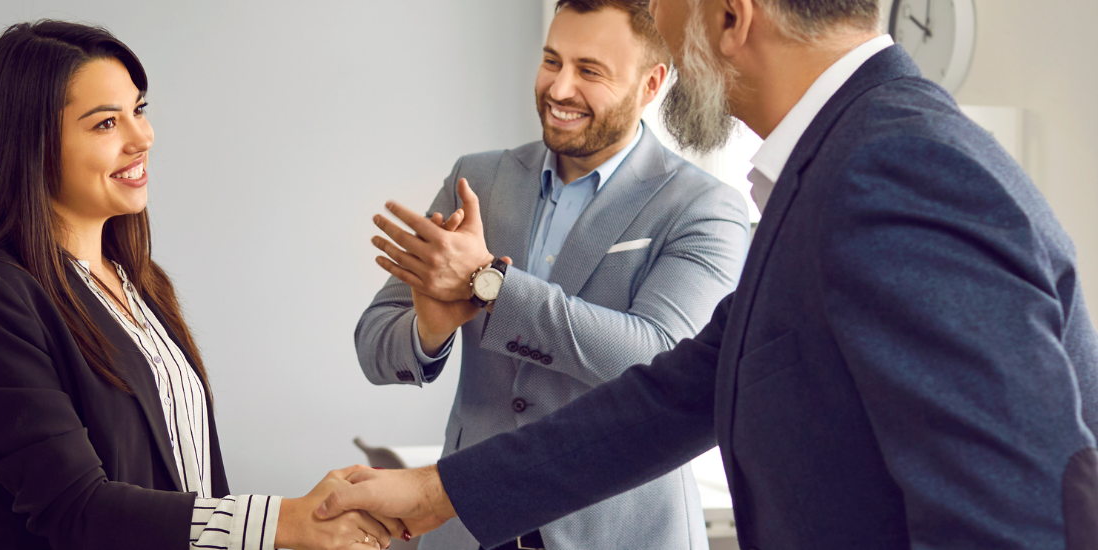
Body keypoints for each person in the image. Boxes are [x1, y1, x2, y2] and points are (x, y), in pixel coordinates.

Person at [319, 0, 1098, 547]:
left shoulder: (893, 168)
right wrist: (438, 493)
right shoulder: (837, 162)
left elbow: (1011, 521)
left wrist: (489, 284)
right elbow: (681, 392)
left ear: (732, 14)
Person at [0, 20, 403, 550]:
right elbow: (74, 508)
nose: (142, 137)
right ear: (29, 144)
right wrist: (286, 521)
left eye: (139, 110)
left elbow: (188, 484)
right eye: (106, 123)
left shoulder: (142, 284)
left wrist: (312, 517)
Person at [354, 0, 748, 548]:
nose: (559, 89)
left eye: (589, 71)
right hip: (464, 527)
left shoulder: (705, 207)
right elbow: (375, 347)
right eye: (551, 61)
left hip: (619, 532)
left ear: (651, 83)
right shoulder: (478, 180)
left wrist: (491, 284)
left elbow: (659, 360)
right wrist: (429, 329)